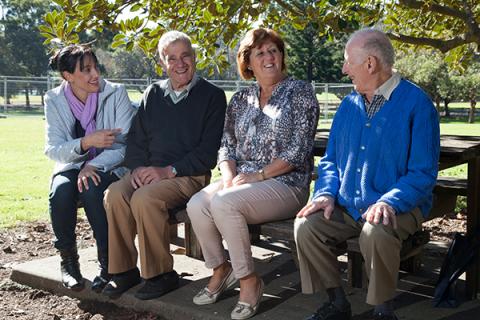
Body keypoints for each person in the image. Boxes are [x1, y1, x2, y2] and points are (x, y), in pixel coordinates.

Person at [294, 28, 440, 320]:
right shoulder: (348, 105)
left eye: (349, 60)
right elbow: (331, 161)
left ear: (370, 64)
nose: (344, 68)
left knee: (376, 231)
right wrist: (324, 194)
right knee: (305, 227)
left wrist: (389, 201)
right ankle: (337, 302)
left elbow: (422, 172)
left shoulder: (418, 105)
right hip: (349, 206)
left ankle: (383, 311)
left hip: (401, 207)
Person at [187, 28, 319, 320]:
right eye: (260, 53)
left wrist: (258, 176)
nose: (268, 57)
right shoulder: (240, 99)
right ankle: (221, 270)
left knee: (224, 203)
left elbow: (298, 151)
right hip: (244, 180)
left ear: (282, 56)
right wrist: (229, 175)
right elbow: (227, 145)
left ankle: (249, 281)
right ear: (248, 62)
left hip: (287, 183)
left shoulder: (300, 92)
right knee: (197, 204)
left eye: (273, 50)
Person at [102, 30, 227, 300]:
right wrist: (136, 169)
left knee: (144, 199)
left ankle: (160, 274)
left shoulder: (213, 96)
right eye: (172, 58)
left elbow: (207, 154)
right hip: (149, 171)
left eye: (185, 56)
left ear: (194, 58)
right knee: (114, 194)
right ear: (162, 63)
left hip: (188, 175)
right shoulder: (153, 93)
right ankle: (123, 271)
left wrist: (167, 171)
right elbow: (135, 140)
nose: (179, 63)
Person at [44, 44, 135, 292]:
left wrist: (93, 164)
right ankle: (69, 263)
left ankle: (108, 265)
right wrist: (86, 142)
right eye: (86, 70)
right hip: (72, 163)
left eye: (95, 67)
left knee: (92, 187)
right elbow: (53, 149)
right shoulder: (53, 99)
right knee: (60, 192)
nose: (95, 74)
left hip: (110, 163)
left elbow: (125, 146)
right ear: (68, 76)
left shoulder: (115, 93)